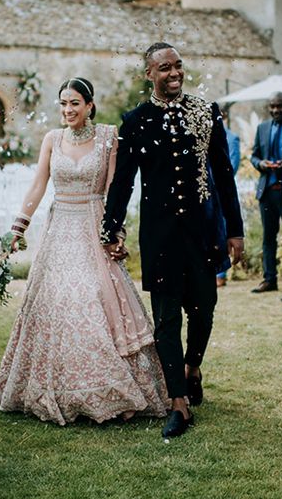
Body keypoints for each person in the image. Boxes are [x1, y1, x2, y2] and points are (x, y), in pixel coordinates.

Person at [0, 78, 169, 425]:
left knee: (95, 296)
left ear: (90, 105)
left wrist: (116, 233)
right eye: (63, 104)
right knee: (57, 301)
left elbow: (117, 188)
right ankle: (60, 387)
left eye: (75, 103)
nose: (68, 110)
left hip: (93, 224)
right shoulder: (52, 139)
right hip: (60, 230)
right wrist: (19, 225)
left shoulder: (107, 137)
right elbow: (39, 183)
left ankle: (110, 387)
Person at [102, 44, 244, 438]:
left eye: (178, 66)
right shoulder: (135, 121)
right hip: (160, 235)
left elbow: (224, 173)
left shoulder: (205, 112)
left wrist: (235, 229)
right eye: (165, 68)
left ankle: (192, 366)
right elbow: (123, 181)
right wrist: (110, 227)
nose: (174, 73)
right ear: (149, 74)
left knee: (204, 312)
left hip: (202, 232)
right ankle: (177, 403)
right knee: (166, 320)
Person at [250, 92, 282, 293]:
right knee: (268, 238)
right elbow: (254, 156)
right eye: (272, 106)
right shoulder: (262, 128)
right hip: (267, 190)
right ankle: (269, 279)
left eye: (279, 106)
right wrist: (260, 163)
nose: (275, 110)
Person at [216, 107, 241, 288]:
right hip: (205, 194)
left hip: (222, 192)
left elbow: (232, 166)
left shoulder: (232, 138)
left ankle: (221, 273)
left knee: (224, 231)